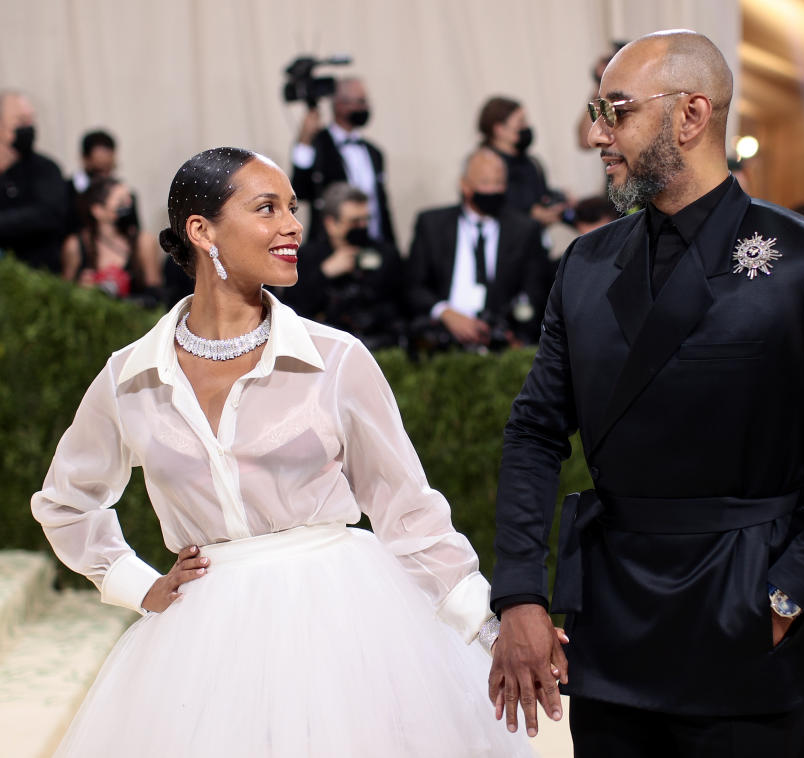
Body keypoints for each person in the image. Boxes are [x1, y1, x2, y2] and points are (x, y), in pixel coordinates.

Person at [487, 31, 804, 758]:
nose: (597, 133)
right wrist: (519, 594)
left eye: (615, 110)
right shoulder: (587, 262)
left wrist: (796, 588)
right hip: (612, 614)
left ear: (690, 115)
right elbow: (537, 430)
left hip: (746, 611)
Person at [32, 147, 533, 757]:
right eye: (267, 208)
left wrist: (488, 628)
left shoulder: (337, 359)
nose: (293, 225)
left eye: (293, 208)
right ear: (201, 231)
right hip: (203, 639)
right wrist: (136, 584)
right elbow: (66, 502)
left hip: (343, 627)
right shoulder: (131, 377)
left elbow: (408, 509)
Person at [406, 147, 549, 351]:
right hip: (441, 337)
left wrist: (512, 328)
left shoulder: (524, 230)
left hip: (501, 339)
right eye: (485, 183)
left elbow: (535, 291)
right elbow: (413, 287)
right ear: (465, 185)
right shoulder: (432, 225)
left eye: (499, 183)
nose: (493, 190)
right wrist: (445, 313)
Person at [279, 182, 406, 349]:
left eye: (365, 220)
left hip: (380, 344)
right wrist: (325, 273)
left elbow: (401, 302)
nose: (362, 227)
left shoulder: (386, 254)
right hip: (325, 346)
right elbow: (292, 308)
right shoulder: (307, 257)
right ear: (331, 224)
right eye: (355, 222)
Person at [290, 77, 395, 245]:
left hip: (373, 243)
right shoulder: (319, 144)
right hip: (331, 245)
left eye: (365, 101)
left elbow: (381, 205)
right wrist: (305, 141)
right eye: (360, 102)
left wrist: (391, 246)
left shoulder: (374, 152)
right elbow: (300, 189)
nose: (365, 107)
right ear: (340, 105)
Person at [61, 176, 162, 304]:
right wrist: (80, 290)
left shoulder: (143, 242)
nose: (128, 206)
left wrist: (117, 299)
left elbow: (156, 295)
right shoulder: (75, 245)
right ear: (97, 210)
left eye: (129, 200)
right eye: (121, 202)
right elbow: (63, 295)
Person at [0, 90, 68, 272]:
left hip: (39, 274)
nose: (29, 127)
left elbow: (50, 213)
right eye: (21, 121)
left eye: (31, 120)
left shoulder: (45, 168)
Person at [478, 96, 566, 228]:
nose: (526, 127)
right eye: (520, 123)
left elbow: (541, 195)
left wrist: (560, 200)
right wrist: (532, 215)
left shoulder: (531, 162)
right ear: (499, 129)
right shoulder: (486, 166)